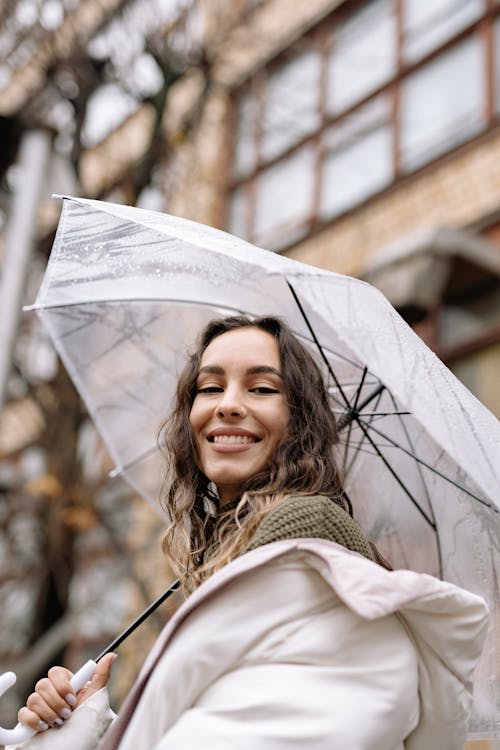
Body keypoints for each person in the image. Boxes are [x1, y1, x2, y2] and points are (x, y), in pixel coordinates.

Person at [9, 315, 488, 750]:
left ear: (298, 422)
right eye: (210, 387)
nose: (229, 405)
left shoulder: (315, 569)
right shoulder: (241, 560)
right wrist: (96, 729)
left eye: (261, 389)